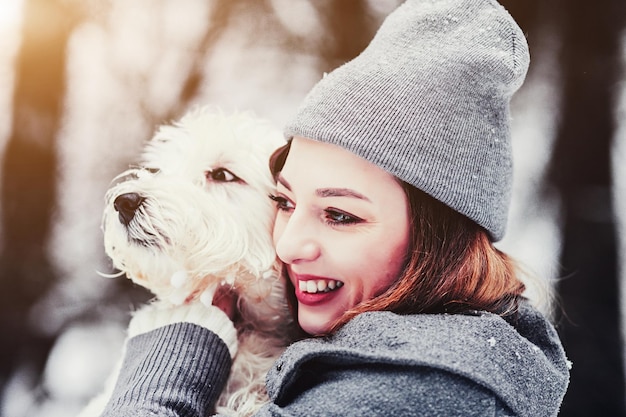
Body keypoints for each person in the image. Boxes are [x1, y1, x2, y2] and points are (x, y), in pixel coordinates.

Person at [100, 0, 570, 416]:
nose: (286, 244)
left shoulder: (427, 387)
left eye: (341, 215)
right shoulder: (346, 345)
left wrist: (178, 346)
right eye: (284, 201)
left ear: (438, 240)